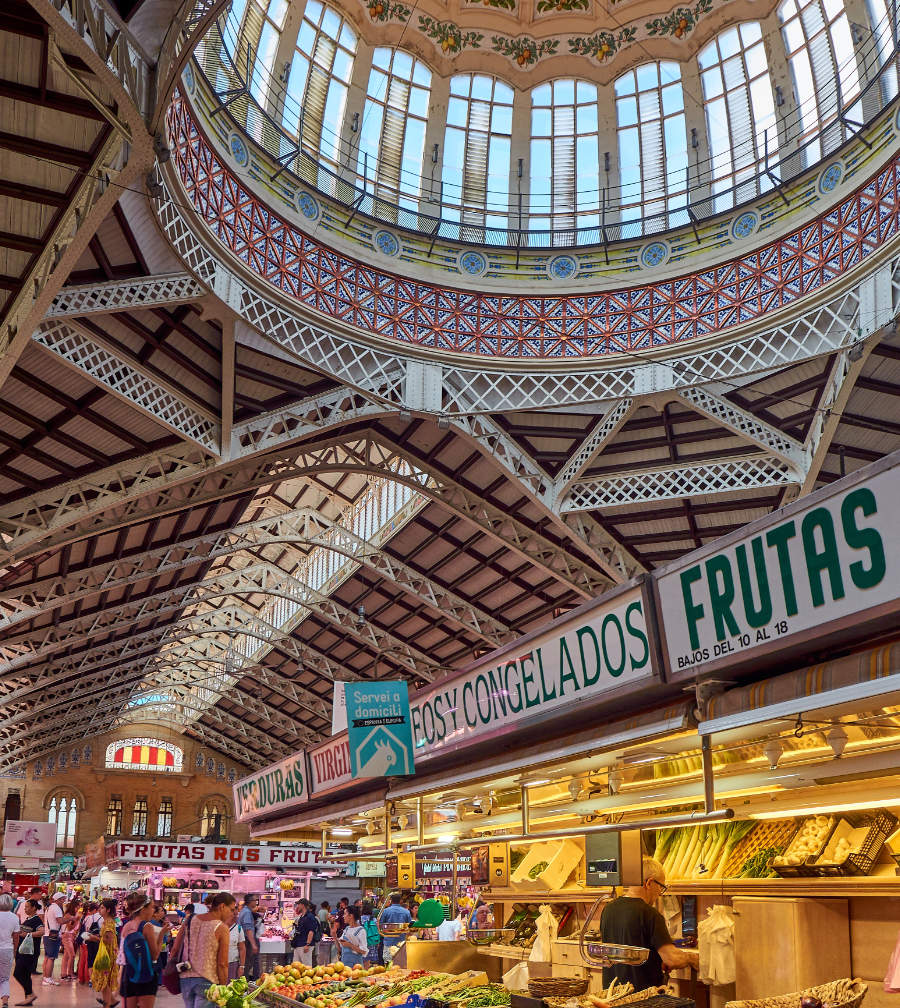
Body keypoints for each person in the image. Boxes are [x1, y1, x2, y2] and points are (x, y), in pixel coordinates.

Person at [598, 857, 698, 990]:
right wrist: (692, 958)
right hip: (641, 998)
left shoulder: (608, 909)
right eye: (661, 887)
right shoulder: (650, 914)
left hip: (612, 996)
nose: (660, 894)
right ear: (649, 883)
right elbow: (672, 959)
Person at [172, 892, 235, 1008]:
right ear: (222, 906)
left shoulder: (190, 920)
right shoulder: (221, 927)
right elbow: (222, 963)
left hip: (185, 978)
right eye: (231, 910)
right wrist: (222, 989)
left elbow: (175, 948)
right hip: (207, 980)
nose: (232, 914)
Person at [12, 899, 44, 1007]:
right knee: (25, 974)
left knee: (18, 973)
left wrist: (27, 934)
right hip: (22, 951)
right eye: (25, 907)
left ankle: (30, 994)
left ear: (34, 908)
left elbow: (41, 932)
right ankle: (28, 998)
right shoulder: (28, 919)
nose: (25, 909)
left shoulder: (37, 920)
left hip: (29, 952)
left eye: (27, 907)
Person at [90, 899, 120, 1008]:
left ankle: (107, 1004)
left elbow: (109, 939)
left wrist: (94, 938)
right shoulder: (107, 921)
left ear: (108, 910)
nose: (99, 909)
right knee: (104, 979)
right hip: (106, 953)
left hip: (107, 955)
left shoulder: (108, 922)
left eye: (102, 908)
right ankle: (111, 1001)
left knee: (104, 980)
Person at [0, 893, 20, 1008]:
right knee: (4, 978)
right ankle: (5, 1002)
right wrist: (15, 949)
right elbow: (16, 936)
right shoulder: (14, 917)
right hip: (7, 949)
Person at [41, 893, 65, 987]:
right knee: (51, 958)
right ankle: (47, 978)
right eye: (62, 899)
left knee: (47, 957)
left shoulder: (49, 907)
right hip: (53, 936)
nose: (63, 901)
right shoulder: (56, 908)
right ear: (57, 899)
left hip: (47, 935)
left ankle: (46, 977)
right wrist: (71, 918)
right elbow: (60, 921)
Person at [377, 894, 411, 960]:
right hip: (401, 943)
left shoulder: (386, 911)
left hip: (388, 942)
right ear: (401, 901)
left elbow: (381, 925)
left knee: (388, 963)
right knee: (400, 964)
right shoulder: (406, 912)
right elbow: (409, 926)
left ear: (391, 901)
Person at [237, 896, 259, 982]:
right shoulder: (246, 912)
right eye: (255, 900)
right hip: (247, 942)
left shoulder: (245, 911)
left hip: (245, 940)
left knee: (246, 963)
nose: (256, 902)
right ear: (250, 901)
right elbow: (248, 929)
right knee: (246, 964)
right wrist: (253, 944)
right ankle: (244, 985)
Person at [291, 902, 318, 967]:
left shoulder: (310, 917)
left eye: (298, 905)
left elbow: (311, 931)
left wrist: (307, 944)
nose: (297, 907)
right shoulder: (301, 917)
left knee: (306, 967)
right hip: (298, 944)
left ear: (303, 905)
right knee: (296, 967)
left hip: (304, 945)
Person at [59, 902, 80, 981]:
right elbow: (70, 928)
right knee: (72, 955)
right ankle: (69, 973)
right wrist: (77, 921)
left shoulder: (72, 915)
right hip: (67, 936)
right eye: (77, 907)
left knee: (66, 955)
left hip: (70, 936)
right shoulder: (68, 916)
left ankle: (63, 973)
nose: (78, 909)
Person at [359, 903, 380, 967]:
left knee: (363, 961)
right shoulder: (374, 919)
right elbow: (378, 930)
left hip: (363, 943)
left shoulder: (360, 919)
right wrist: (378, 941)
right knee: (373, 961)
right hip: (373, 942)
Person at [226, 907, 244, 981]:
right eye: (233, 914)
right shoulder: (218, 927)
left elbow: (242, 948)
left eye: (237, 914)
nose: (235, 917)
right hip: (218, 964)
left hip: (233, 964)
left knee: (231, 987)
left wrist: (242, 966)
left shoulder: (238, 928)